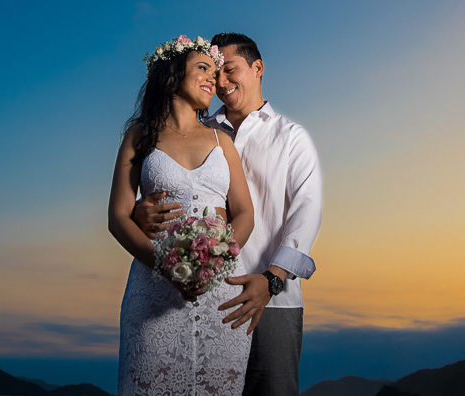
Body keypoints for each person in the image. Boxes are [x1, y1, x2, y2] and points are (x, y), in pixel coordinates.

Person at [134, 32, 323, 396]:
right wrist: (141, 212)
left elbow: (307, 210)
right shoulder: (203, 131)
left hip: (273, 296)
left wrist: (272, 279)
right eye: (215, 73)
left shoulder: (291, 137)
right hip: (207, 296)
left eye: (229, 70)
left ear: (258, 68)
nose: (220, 82)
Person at [109, 35, 257, 396]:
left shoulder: (222, 141)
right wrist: (164, 264)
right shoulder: (140, 135)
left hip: (220, 292)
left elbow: (245, 213)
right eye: (203, 68)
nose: (214, 79)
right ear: (173, 76)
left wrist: (216, 260)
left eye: (216, 70)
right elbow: (117, 217)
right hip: (154, 288)